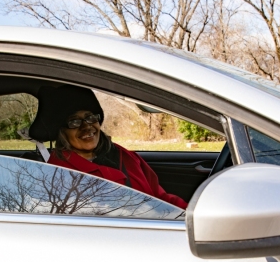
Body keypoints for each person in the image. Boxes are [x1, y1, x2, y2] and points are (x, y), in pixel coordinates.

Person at [28, 85, 188, 209]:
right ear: (62, 131)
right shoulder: (56, 175)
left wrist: (187, 216)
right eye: (74, 121)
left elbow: (159, 198)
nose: (87, 126)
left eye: (90, 117)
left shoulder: (126, 157)